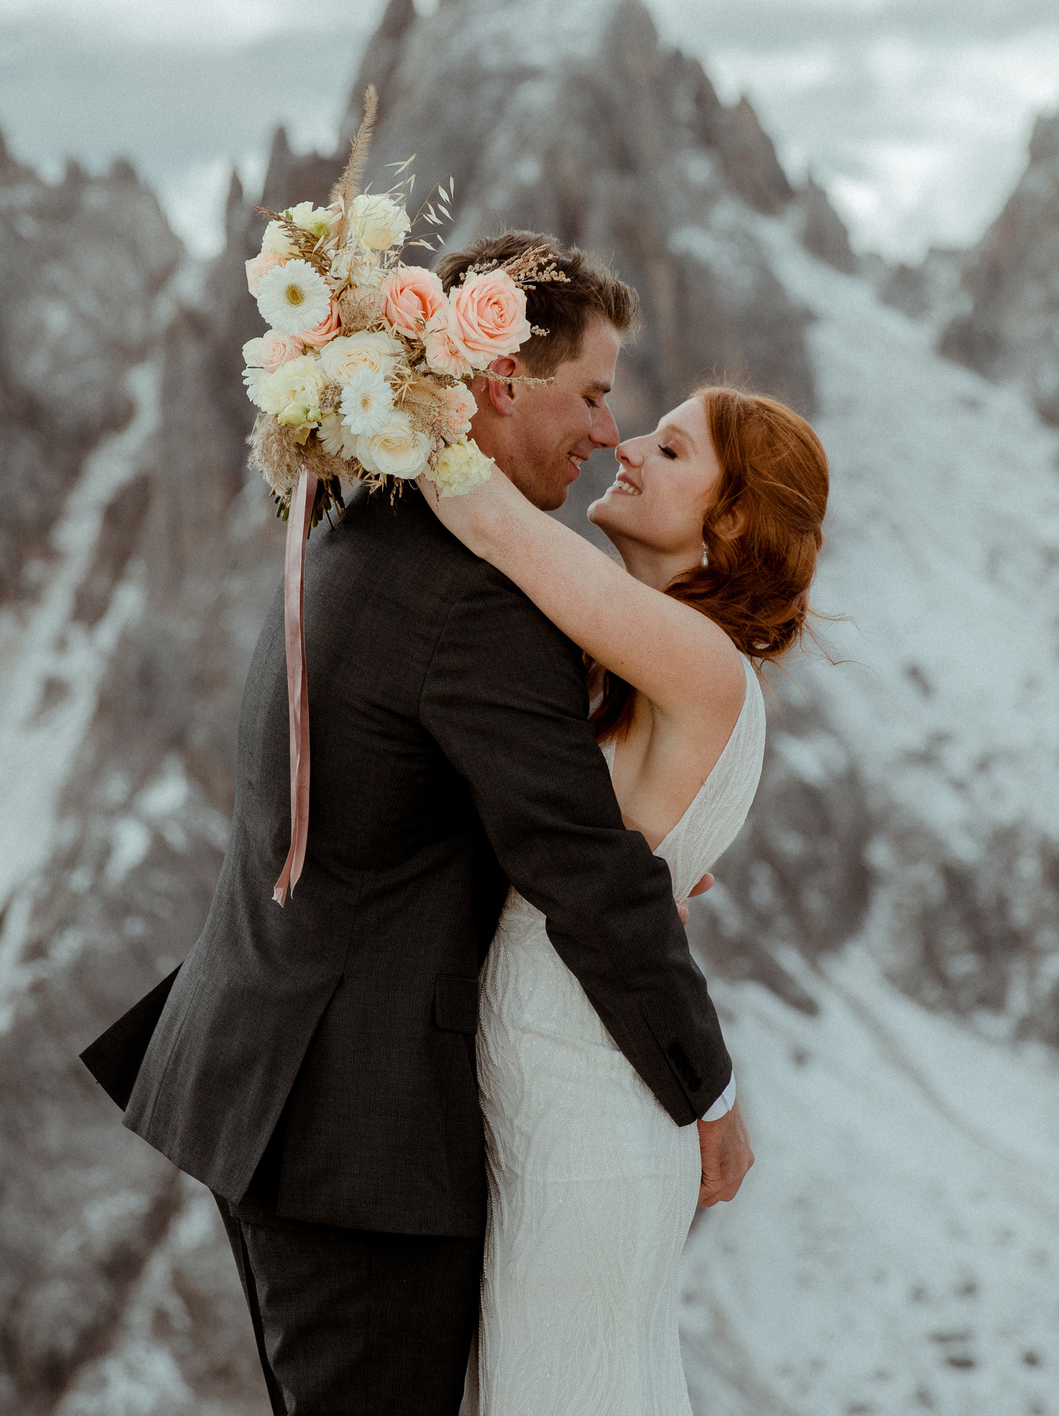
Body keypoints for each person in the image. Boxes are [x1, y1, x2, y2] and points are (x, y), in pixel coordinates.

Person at [80, 232, 750, 1414]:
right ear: (501, 381)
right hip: (356, 1138)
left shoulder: (371, 527)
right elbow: (585, 875)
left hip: (282, 1085)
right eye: (592, 395)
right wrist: (708, 1092)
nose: (606, 432)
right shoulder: (476, 604)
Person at [422, 373, 826, 1414]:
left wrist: (387, 366)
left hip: (581, 1126)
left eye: (673, 450)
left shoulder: (694, 659)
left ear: (728, 521)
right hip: (572, 1096)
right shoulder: (663, 669)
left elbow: (489, 520)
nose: (625, 445)